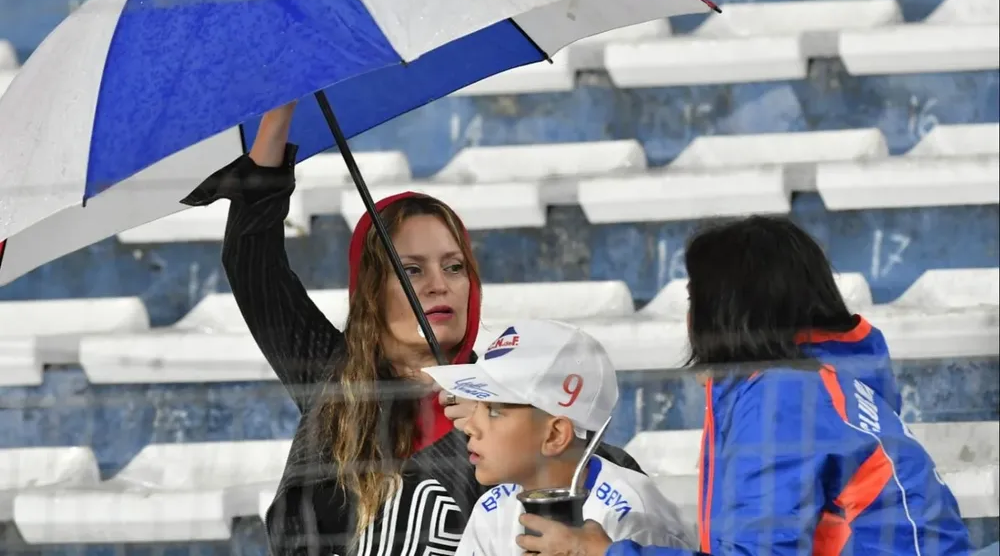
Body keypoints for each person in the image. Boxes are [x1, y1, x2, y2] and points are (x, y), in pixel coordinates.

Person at [181, 100, 643, 555]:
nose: (439, 286)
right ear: (370, 291)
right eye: (412, 270)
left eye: (454, 266)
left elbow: (601, 478)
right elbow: (253, 264)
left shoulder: (512, 403)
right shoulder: (331, 379)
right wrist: (278, 113)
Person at [514, 216, 972, 555]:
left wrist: (598, 551)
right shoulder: (811, 380)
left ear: (730, 310)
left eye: (696, 299)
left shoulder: (784, 394)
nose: (689, 318)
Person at [423, 320, 697, 555]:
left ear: (555, 435)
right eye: (476, 406)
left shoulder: (632, 513)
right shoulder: (491, 507)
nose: (470, 426)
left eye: (493, 411)